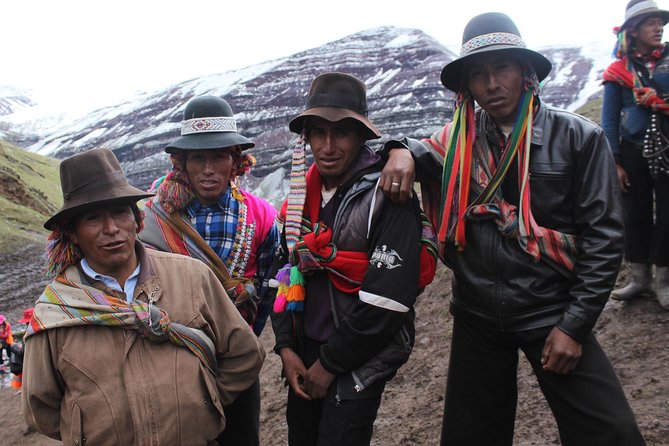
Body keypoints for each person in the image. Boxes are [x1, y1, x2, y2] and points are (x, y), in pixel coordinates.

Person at [381, 12, 645, 446]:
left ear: (525, 73)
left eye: (501, 68)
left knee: (612, 433)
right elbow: (412, 150)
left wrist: (574, 326)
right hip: (477, 316)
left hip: (551, 310)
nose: (491, 84)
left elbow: (604, 238)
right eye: (478, 74)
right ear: (467, 85)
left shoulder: (579, 138)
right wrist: (398, 149)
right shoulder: (456, 141)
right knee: (471, 436)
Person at [22, 148, 265, 445]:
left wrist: (206, 400)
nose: (111, 229)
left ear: (137, 220)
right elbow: (40, 406)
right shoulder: (57, 310)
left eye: (120, 213)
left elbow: (244, 353)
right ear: (72, 233)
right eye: (94, 218)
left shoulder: (191, 277)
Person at [270, 72, 437, 446]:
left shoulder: (388, 196)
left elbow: (387, 300)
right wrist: (286, 348)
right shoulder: (298, 200)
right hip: (305, 350)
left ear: (361, 136)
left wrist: (328, 366)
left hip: (358, 357)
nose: (328, 146)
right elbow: (284, 275)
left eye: (341, 132)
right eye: (318, 133)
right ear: (306, 137)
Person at [139, 95, 279, 446]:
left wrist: (244, 336)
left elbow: (266, 287)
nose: (208, 169)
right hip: (173, 360)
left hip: (236, 359)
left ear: (236, 162)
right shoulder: (155, 218)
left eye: (218, 156)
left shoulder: (261, 217)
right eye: (197, 158)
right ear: (181, 163)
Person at [602, 0, 669, 309]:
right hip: (632, 151)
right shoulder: (618, 71)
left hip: (667, 146)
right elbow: (610, 119)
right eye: (651, 23)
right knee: (636, 212)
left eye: (660, 22)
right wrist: (615, 161)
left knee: (668, 212)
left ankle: (663, 279)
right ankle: (639, 278)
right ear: (634, 30)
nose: (659, 28)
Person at [7, 308, 33, 390]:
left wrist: (13, 347)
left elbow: (23, 352)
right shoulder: (43, 331)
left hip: (31, 366)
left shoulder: (30, 334)